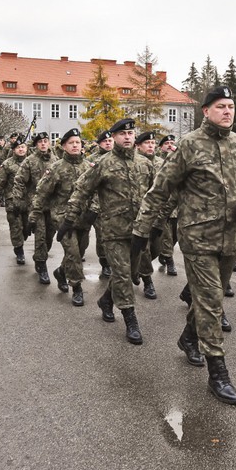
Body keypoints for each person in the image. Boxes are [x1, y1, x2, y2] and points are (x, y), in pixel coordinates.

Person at [134, 86, 236, 405]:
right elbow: (160, 189)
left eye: (231, 106)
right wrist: (141, 231)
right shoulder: (189, 145)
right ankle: (218, 372)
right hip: (197, 238)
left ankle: (188, 337)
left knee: (213, 297)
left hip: (231, 237)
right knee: (210, 301)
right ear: (205, 111)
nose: (227, 111)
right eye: (220, 106)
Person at [63, 118, 155, 345]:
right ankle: (130, 318)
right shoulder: (103, 164)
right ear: (113, 137)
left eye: (131, 133)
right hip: (113, 231)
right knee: (123, 274)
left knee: (130, 273)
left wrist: (158, 224)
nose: (127, 137)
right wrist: (69, 218)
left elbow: (158, 195)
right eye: (122, 134)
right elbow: (81, 190)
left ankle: (106, 300)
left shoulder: (146, 164)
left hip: (139, 231)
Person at [32, 128, 91, 306]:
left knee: (80, 249)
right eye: (71, 143)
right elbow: (42, 193)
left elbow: (96, 192)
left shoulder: (88, 167)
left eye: (78, 142)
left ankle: (61, 272)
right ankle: (77, 287)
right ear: (64, 146)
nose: (75, 145)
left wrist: (94, 212)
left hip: (83, 217)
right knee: (72, 252)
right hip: (62, 217)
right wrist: (34, 215)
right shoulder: (56, 168)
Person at [13, 131, 58, 284]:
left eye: (46, 141)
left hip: (52, 206)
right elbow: (19, 181)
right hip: (35, 205)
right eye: (40, 142)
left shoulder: (56, 160)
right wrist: (18, 200)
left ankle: (41, 257)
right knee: (40, 236)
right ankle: (41, 265)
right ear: (36, 144)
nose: (43, 143)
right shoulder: (29, 161)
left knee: (49, 236)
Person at [0, 137, 29, 264]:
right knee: (15, 226)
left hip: (29, 200)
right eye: (18, 147)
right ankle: (19, 250)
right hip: (12, 199)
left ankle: (22, 239)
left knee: (26, 227)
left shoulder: (31, 162)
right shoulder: (7, 164)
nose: (21, 149)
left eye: (23, 147)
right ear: (13, 150)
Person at [133, 131, 160, 300]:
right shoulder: (132, 163)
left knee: (159, 248)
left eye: (153, 143)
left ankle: (136, 269)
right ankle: (147, 280)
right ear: (138, 146)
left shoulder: (159, 163)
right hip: (135, 216)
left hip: (154, 215)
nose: (151, 146)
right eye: (147, 143)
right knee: (145, 250)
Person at [88, 130, 114, 278]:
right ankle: (105, 263)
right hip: (98, 206)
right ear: (99, 144)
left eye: (110, 140)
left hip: (116, 205)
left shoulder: (117, 158)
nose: (108, 143)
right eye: (105, 141)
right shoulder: (92, 160)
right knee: (102, 236)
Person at [154, 134, 179, 276]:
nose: (170, 145)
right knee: (167, 235)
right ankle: (169, 260)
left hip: (176, 206)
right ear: (161, 147)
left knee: (175, 235)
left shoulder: (178, 159)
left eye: (172, 142)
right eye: (166, 143)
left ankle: (164, 254)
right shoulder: (157, 162)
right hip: (162, 205)